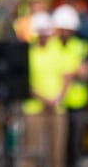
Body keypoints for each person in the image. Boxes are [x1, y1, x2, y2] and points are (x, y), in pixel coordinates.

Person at [23, 13, 69, 167]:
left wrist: (59, 97)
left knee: (56, 153)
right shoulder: (29, 54)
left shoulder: (57, 49)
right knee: (31, 151)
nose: (43, 36)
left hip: (57, 108)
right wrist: (44, 99)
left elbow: (67, 75)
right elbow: (26, 83)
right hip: (34, 109)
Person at [53, 6, 88, 167]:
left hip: (76, 102)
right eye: (63, 29)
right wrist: (72, 71)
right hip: (55, 103)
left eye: (68, 30)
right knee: (56, 147)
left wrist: (68, 73)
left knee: (74, 146)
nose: (65, 33)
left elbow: (84, 72)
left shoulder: (81, 46)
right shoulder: (50, 44)